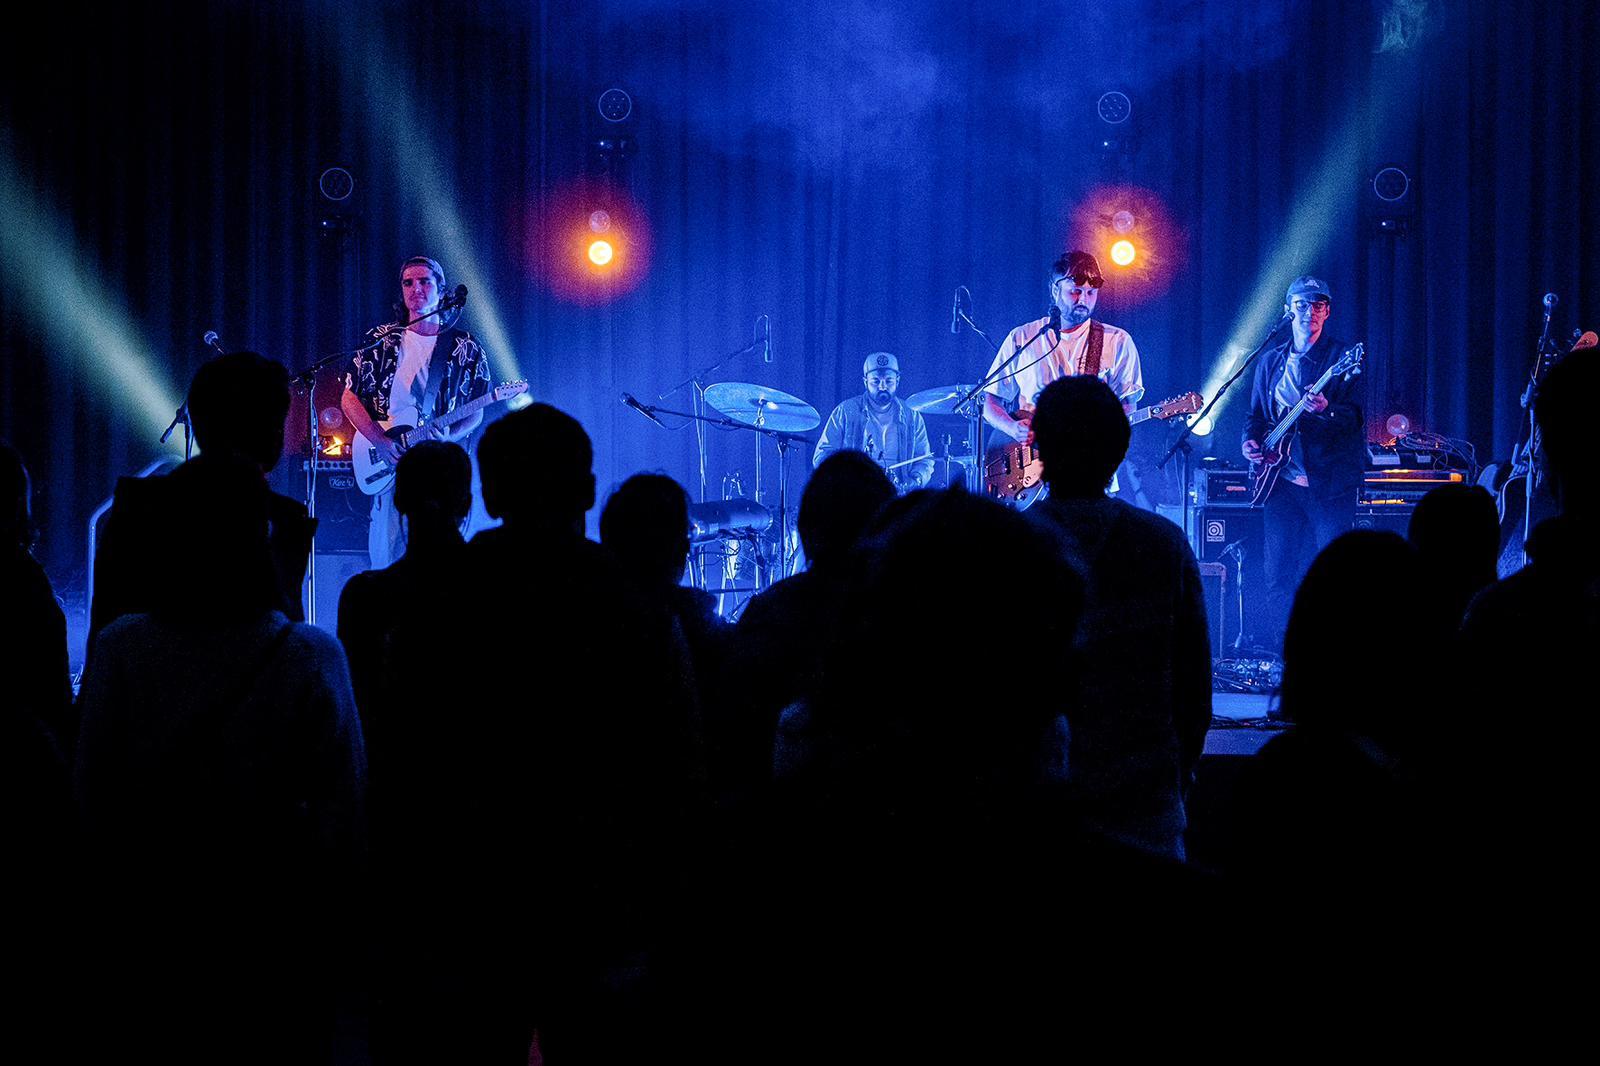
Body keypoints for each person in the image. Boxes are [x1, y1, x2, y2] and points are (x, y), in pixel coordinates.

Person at [75, 453, 367, 1061]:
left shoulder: (122, 646)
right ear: (263, 535)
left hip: (154, 925)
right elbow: (347, 811)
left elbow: (92, 798)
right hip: (277, 929)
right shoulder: (312, 654)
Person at [1026, 376, 1213, 860]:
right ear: (1121, 448)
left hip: (1033, 816)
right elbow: (1194, 688)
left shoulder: (1003, 544)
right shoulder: (1164, 544)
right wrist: (1175, 782)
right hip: (1144, 815)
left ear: (1037, 446)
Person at [88, 352, 315, 677]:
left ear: (197, 422)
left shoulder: (136, 509)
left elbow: (105, 635)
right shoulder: (282, 522)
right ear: (275, 432)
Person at [342, 255, 493, 569]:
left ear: (441, 289)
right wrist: (379, 440)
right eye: (408, 283)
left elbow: (476, 408)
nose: (416, 289)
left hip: (438, 464)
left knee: (442, 552)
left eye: (425, 281)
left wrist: (450, 435)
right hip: (390, 458)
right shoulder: (382, 339)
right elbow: (349, 398)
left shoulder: (464, 345)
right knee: (387, 554)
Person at [1241, 275, 1365, 648]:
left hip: (1328, 484)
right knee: (1277, 573)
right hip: (1281, 482)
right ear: (1288, 310)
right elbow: (1255, 417)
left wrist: (1327, 410)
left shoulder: (1341, 358)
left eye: (1318, 305)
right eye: (1301, 304)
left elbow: (1356, 417)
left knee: (1334, 571)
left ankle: (1335, 650)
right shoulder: (1270, 360)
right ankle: (1286, 652)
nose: (1309, 311)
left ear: (1327, 312)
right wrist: (1249, 442)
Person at [337, 440, 473, 743]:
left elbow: (354, 705)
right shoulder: (497, 589)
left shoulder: (364, 595)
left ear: (398, 499)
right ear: (467, 503)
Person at [981, 250, 1145, 446]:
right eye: (1075, 291)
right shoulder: (1023, 337)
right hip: (1031, 458)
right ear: (1055, 290)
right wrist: (1012, 428)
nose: (1083, 300)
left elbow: (1127, 406)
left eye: (1090, 293)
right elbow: (991, 401)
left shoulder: (1117, 341)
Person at [813, 352, 935, 492]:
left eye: (888, 381)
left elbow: (924, 459)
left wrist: (915, 481)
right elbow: (822, 455)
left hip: (898, 495)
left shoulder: (912, 416)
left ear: (898, 380)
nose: (882, 387)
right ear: (865, 381)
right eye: (875, 381)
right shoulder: (846, 411)